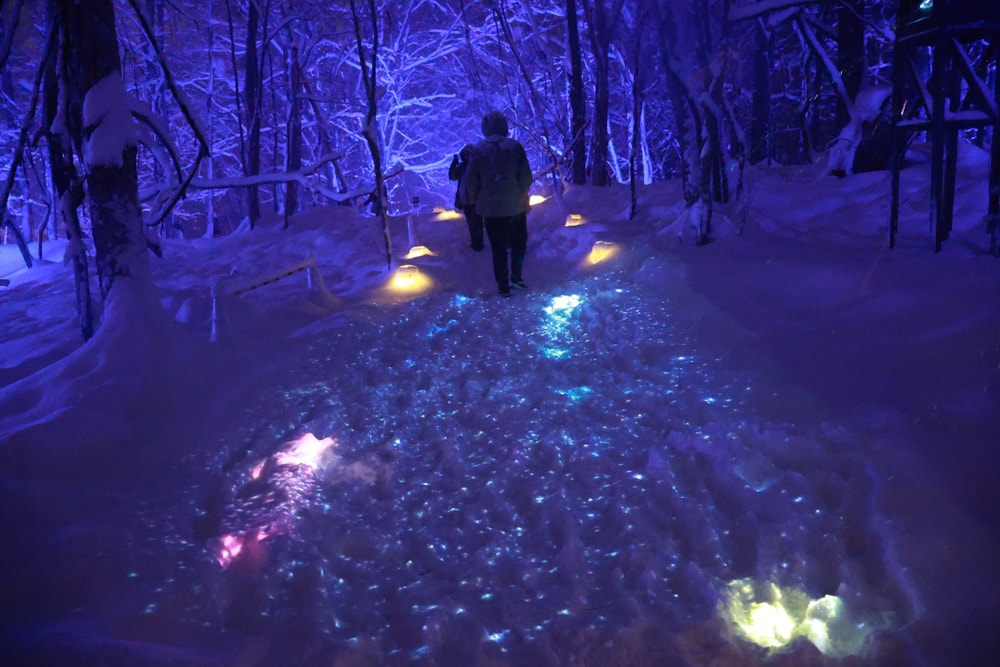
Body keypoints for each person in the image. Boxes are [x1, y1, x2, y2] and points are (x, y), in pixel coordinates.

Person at [465, 110, 533, 297]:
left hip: (491, 210)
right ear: (504, 127)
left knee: (498, 248)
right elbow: (526, 176)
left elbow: (471, 180)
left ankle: (502, 286)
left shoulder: (479, 150)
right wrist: (521, 193)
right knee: (519, 244)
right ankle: (517, 277)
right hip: (515, 207)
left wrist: (476, 198)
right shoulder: (514, 147)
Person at [448, 144, 484, 251]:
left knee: (477, 222)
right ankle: (475, 241)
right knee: (471, 222)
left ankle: (478, 243)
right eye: (464, 155)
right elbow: (452, 176)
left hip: (476, 200)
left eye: (468, 155)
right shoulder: (462, 167)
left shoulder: (478, 167)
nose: (466, 157)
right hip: (466, 200)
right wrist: (454, 163)